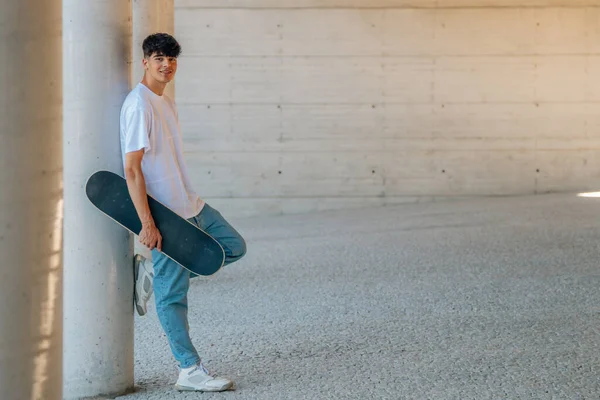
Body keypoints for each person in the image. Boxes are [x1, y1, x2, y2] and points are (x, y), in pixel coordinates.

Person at [119, 33, 246, 392]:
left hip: (192, 204)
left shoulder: (166, 102)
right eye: (158, 58)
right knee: (173, 297)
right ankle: (189, 370)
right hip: (168, 215)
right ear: (145, 61)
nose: (166, 65)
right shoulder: (139, 105)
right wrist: (148, 222)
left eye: (172, 59)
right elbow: (131, 169)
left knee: (232, 247)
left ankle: (152, 277)